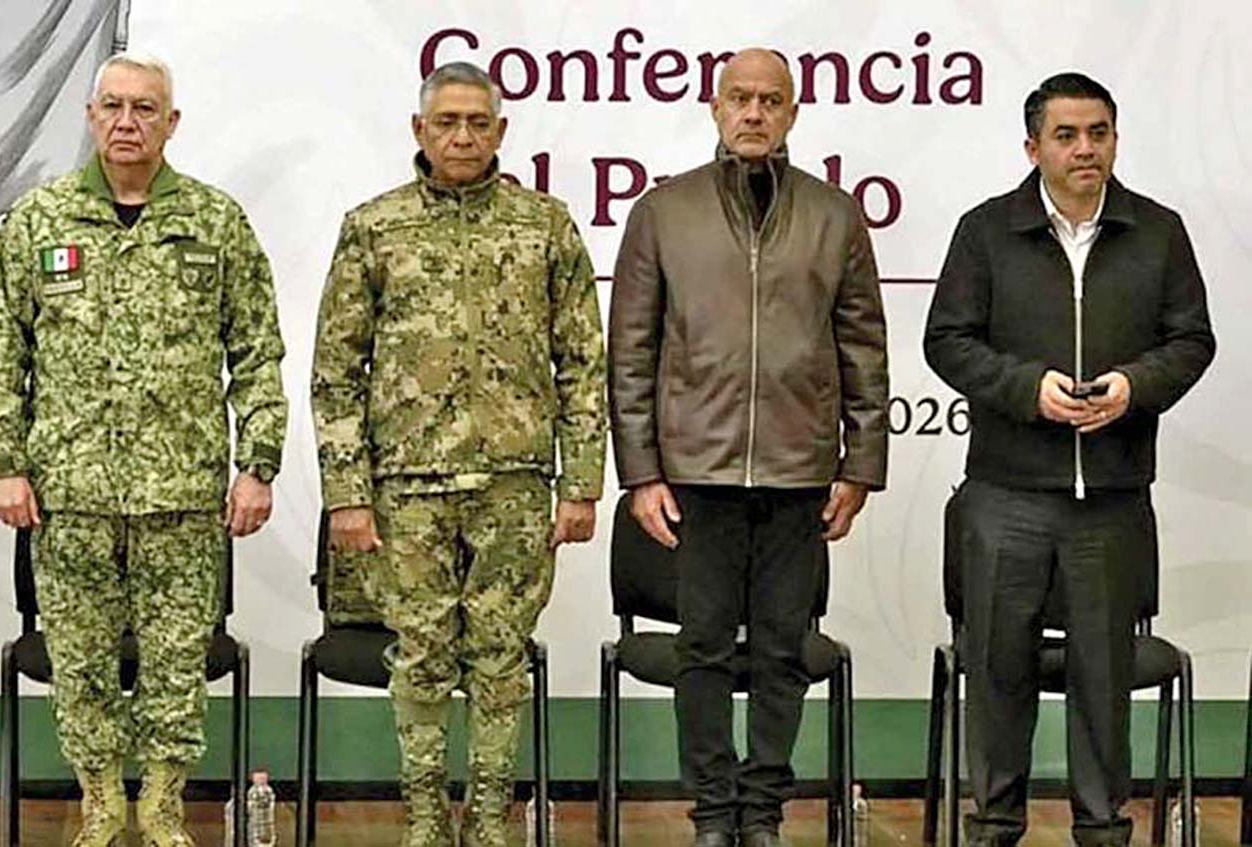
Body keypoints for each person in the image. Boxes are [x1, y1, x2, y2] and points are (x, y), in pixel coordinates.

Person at [0, 52, 287, 847]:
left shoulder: (214, 223)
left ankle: (160, 804)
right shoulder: (38, 222)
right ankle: (98, 804)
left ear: (170, 122)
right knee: (80, 661)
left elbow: (257, 352)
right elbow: (0, 355)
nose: (127, 122)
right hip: (69, 492)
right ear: (91, 116)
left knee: (176, 662)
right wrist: (3, 464)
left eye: (145, 108)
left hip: (181, 494)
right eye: (113, 106)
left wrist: (258, 464)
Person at [310, 61, 607, 847]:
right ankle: (423, 817)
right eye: (448, 122)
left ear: (501, 131)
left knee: (501, 656)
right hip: (405, 486)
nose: (464, 136)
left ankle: (488, 817)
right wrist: (347, 492)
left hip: (515, 484)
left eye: (479, 122)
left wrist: (581, 481)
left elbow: (583, 361)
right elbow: (336, 372)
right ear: (420, 130)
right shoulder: (374, 227)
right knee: (421, 654)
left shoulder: (545, 225)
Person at [924, 72, 1215, 847]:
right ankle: (994, 824)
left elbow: (1192, 340)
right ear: (1033, 148)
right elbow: (947, 340)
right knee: (997, 669)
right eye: (1066, 135)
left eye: (1098, 133)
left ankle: (1101, 827)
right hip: (1005, 492)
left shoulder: (1158, 231)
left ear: (1115, 139)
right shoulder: (985, 230)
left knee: (1103, 676)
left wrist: (1133, 386)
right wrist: (1028, 389)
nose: (1085, 149)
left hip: (1112, 497)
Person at [608, 48, 889, 847]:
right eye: (740, 98)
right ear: (715, 107)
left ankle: (762, 808)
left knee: (780, 650)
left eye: (770, 100)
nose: (754, 112)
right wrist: (641, 473)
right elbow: (630, 352)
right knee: (701, 648)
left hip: (799, 472)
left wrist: (860, 465)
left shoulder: (834, 215)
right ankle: (711, 808)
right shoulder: (664, 212)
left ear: (793, 112)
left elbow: (863, 346)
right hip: (695, 472)